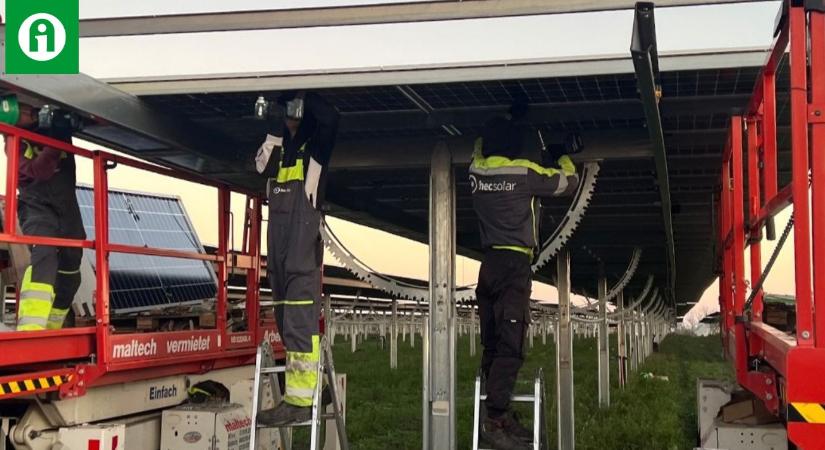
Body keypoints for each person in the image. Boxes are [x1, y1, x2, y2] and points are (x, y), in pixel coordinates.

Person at [471, 104, 579, 449]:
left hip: (488, 266)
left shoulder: (476, 170)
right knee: (511, 345)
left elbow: (478, 145)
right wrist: (562, 155)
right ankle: (496, 418)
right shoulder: (523, 172)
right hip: (514, 268)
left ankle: (495, 412)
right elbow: (568, 183)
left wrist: (508, 120)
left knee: (493, 343)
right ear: (513, 145)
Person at [254, 91, 339, 425]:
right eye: (287, 109)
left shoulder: (314, 154)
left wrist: (306, 93)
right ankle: (309, 389)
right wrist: (276, 126)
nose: (292, 116)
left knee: (300, 326)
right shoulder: (280, 154)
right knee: (286, 326)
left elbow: (333, 119)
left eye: (297, 110)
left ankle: (301, 401)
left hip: (302, 258)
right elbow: (258, 165)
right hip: (278, 258)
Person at [0, 95, 85, 331]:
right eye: (24, 111)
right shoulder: (14, 143)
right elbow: (41, 171)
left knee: (71, 268)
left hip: (67, 207)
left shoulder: (51, 123)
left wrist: (61, 126)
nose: (30, 110)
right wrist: (56, 140)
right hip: (36, 206)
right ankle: (31, 330)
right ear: (15, 121)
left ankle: (52, 325)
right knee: (45, 258)